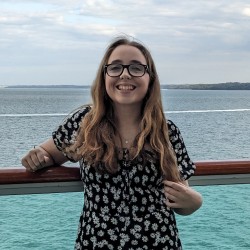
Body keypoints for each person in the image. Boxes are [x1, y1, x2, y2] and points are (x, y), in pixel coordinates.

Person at [21, 35, 202, 250]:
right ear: (104, 75)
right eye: (115, 67)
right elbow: (48, 152)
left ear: (150, 77)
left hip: (158, 243)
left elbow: (181, 198)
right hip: (96, 244)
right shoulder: (84, 124)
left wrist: (194, 203)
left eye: (136, 68)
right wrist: (37, 156)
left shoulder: (166, 132)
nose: (125, 75)